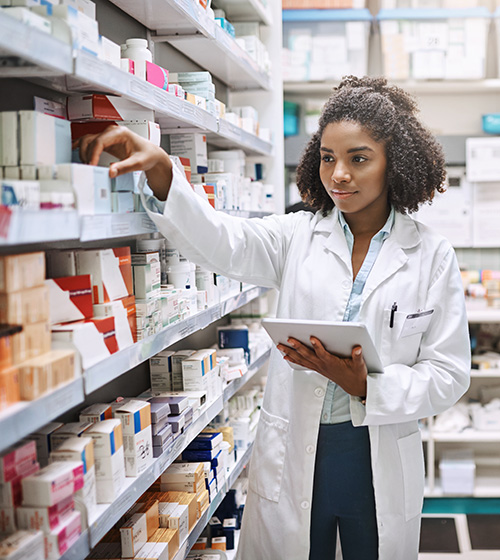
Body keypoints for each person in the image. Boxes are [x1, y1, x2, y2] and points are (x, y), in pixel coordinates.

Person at [76, 76, 471, 560]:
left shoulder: (430, 254)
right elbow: (223, 241)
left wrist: (366, 385)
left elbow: (449, 373)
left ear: (396, 163)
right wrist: (164, 172)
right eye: (328, 157)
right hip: (297, 454)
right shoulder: (297, 235)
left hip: (376, 455)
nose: (339, 175)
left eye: (359, 158)